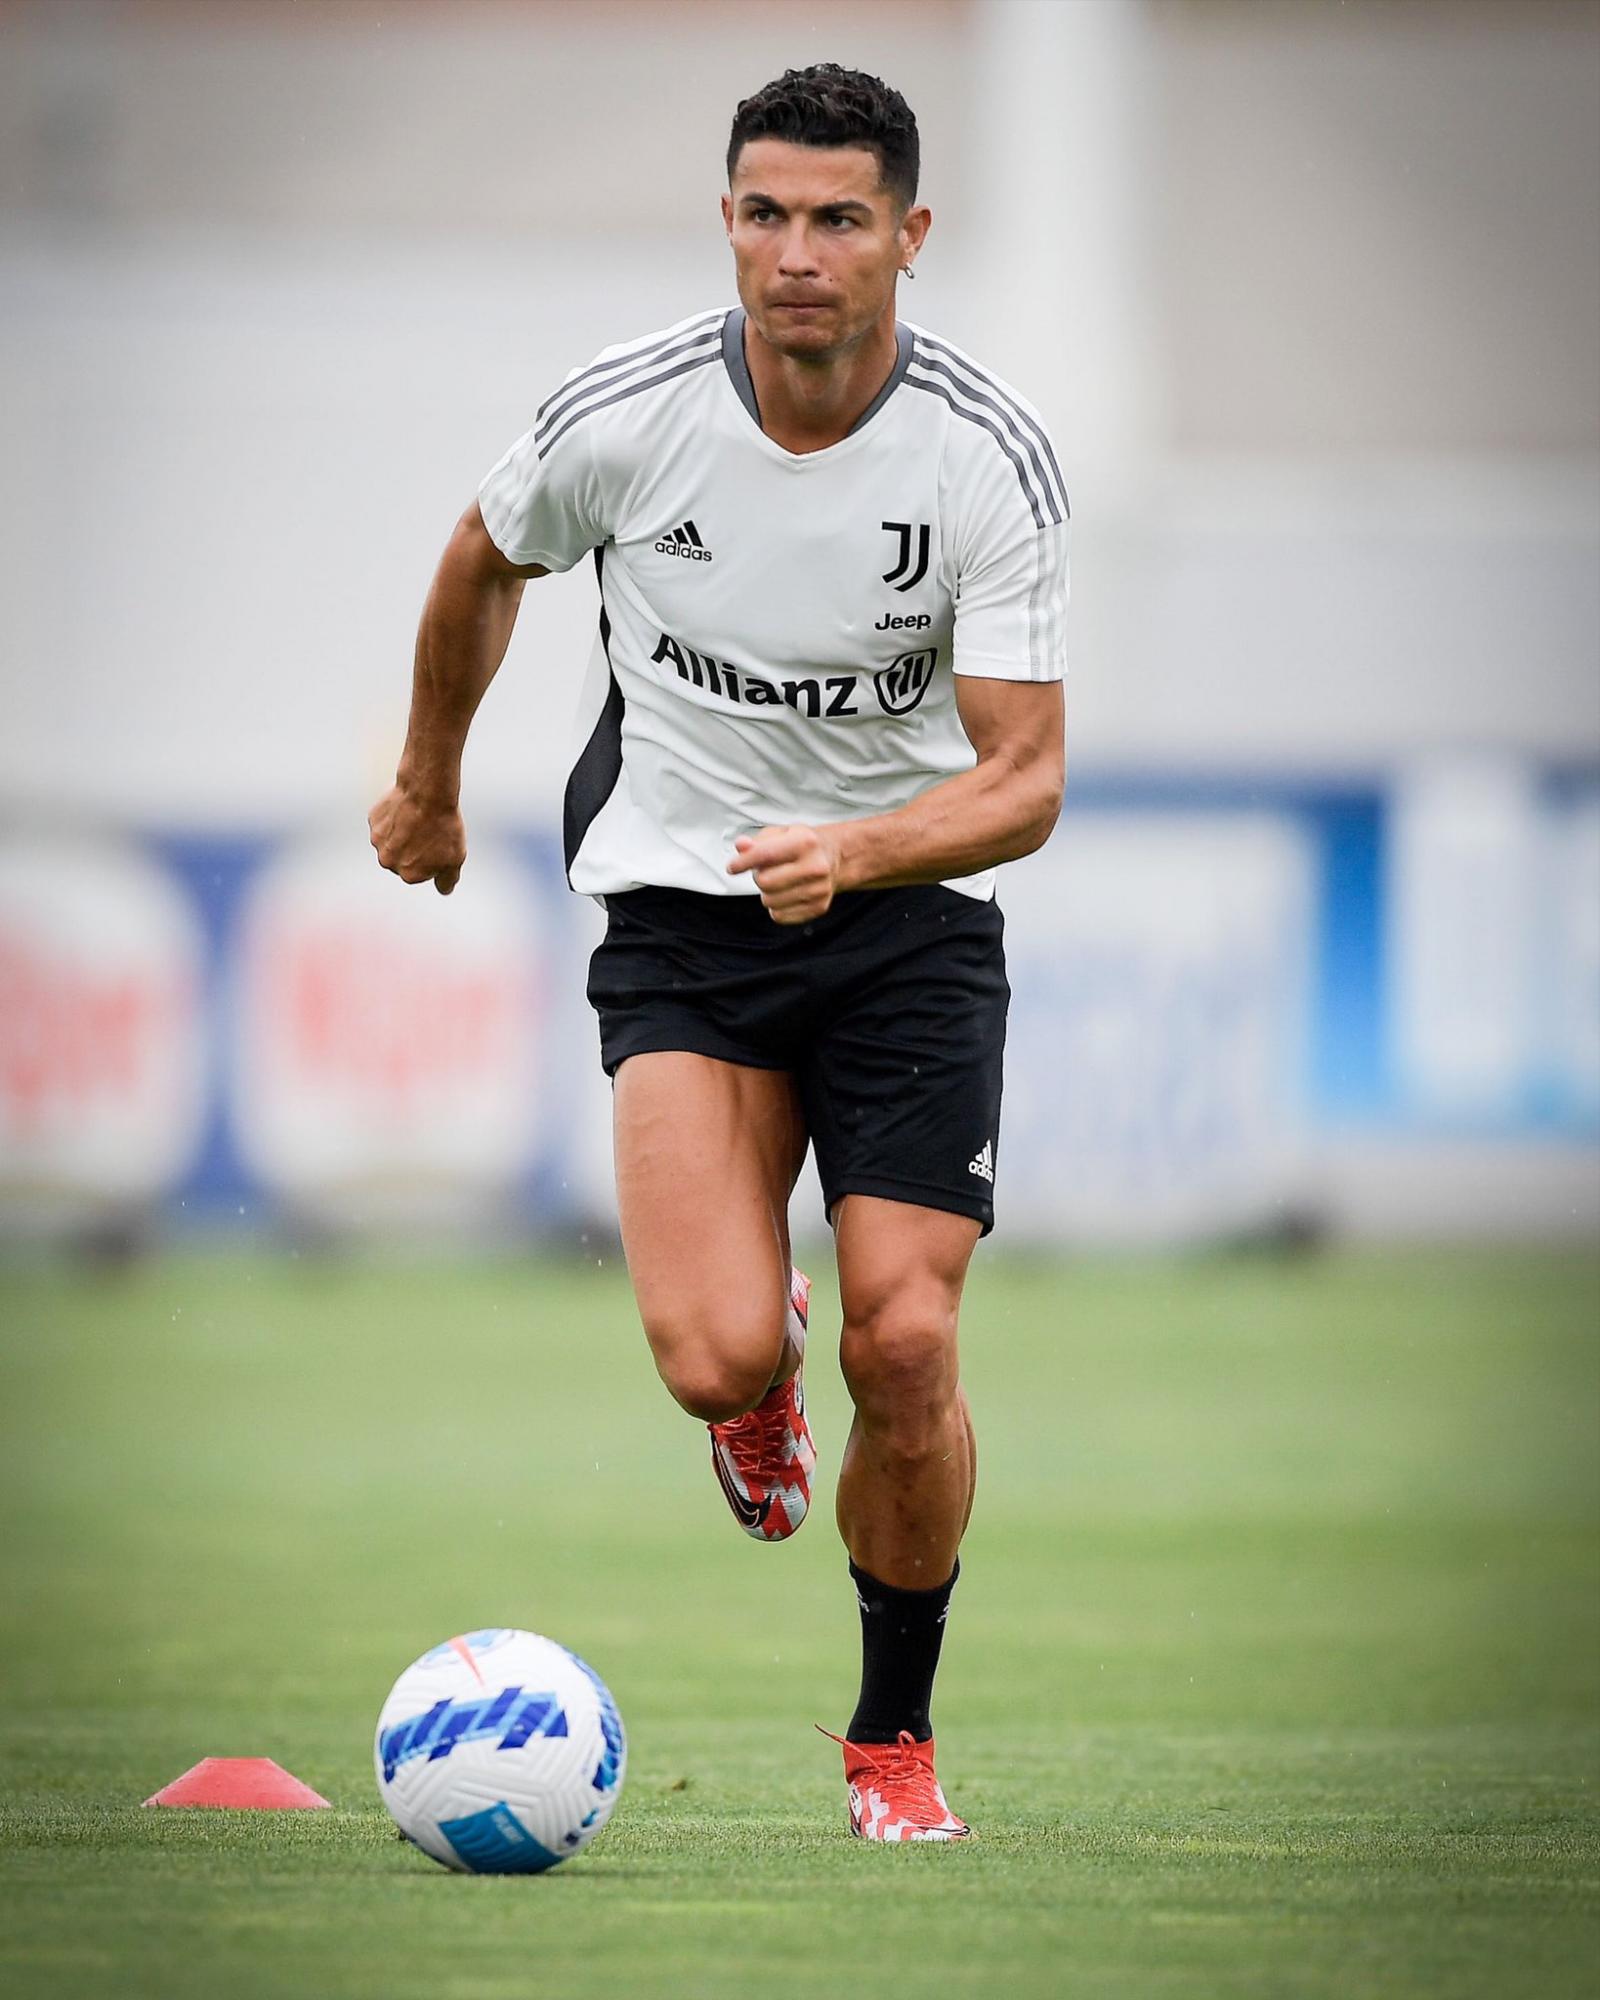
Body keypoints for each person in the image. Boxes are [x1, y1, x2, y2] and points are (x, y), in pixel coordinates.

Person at [369, 62, 1067, 1842]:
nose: (797, 254)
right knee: (712, 1353)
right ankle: (754, 1392)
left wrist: (860, 850)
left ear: (910, 234)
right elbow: (481, 559)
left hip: (908, 928)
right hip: (685, 916)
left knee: (905, 1345)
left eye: (840, 218)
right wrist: (429, 782)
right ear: (729, 223)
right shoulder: (629, 416)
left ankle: (891, 1745)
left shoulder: (984, 456)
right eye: (766, 214)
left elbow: (1025, 781)